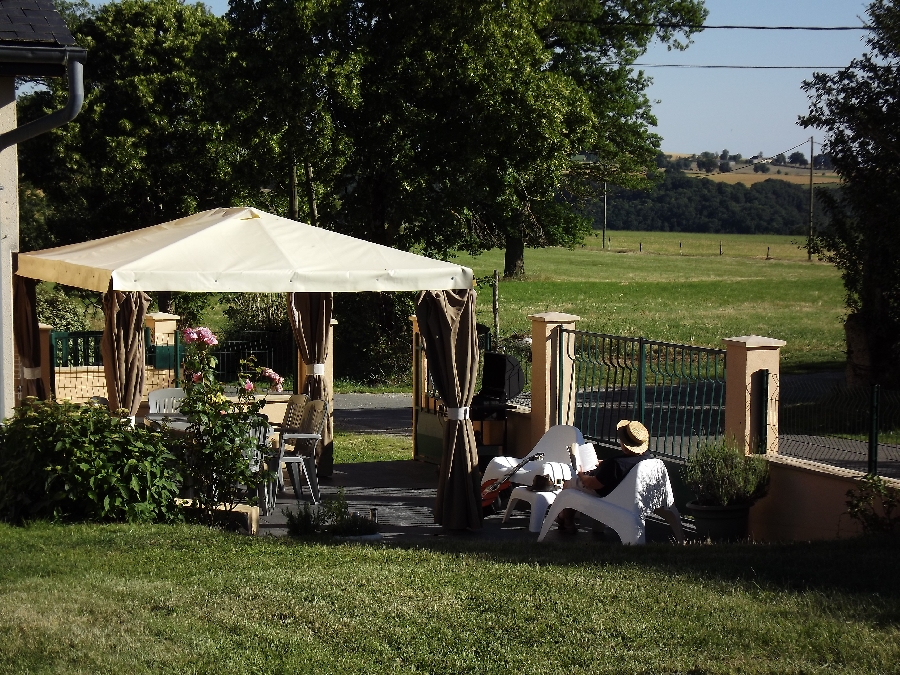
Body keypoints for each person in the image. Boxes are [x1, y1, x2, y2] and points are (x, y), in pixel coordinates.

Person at [555, 419, 652, 533]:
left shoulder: (616, 464)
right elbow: (621, 466)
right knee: (576, 486)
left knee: (569, 484)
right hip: (625, 496)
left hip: (605, 495)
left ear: (624, 445)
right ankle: (565, 518)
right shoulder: (646, 458)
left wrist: (581, 474)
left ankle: (566, 520)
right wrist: (603, 464)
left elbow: (592, 484)